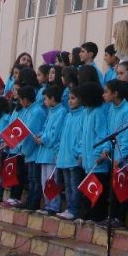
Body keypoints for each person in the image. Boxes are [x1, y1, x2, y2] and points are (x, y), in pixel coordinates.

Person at [100, 79, 128, 228]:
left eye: (106, 92)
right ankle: (111, 217)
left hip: (123, 158)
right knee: (113, 189)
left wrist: (118, 157)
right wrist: (106, 148)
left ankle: (120, 218)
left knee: (122, 189)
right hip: (113, 156)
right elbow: (109, 133)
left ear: (115, 93)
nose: (103, 95)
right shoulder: (112, 109)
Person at [77, 81, 110, 222]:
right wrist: (80, 154)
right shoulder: (86, 112)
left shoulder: (98, 112)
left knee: (98, 194)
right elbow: (82, 136)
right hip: (87, 162)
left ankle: (97, 217)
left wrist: (102, 152)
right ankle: (87, 216)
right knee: (88, 193)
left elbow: (103, 136)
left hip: (97, 162)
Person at [34, 86, 67, 214]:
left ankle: (54, 206)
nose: (44, 102)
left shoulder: (61, 112)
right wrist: (39, 135)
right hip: (44, 152)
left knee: (52, 181)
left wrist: (43, 139)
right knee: (44, 182)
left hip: (52, 153)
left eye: (46, 99)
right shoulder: (51, 111)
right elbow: (45, 128)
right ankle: (48, 204)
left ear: (53, 99)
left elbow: (55, 133)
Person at [14, 86, 47, 211]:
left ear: (26, 99)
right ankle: (29, 201)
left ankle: (34, 202)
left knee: (35, 178)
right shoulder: (30, 110)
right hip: (29, 151)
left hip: (34, 151)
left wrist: (25, 149)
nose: (20, 102)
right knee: (31, 178)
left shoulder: (37, 111)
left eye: (21, 99)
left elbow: (31, 132)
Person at [56, 86, 86, 220]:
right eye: (69, 98)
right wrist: (59, 152)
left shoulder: (83, 115)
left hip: (74, 158)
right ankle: (69, 208)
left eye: (73, 98)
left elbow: (82, 137)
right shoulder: (68, 115)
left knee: (75, 186)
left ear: (81, 99)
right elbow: (62, 136)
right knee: (67, 186)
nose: (70, 101)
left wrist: (78, 152)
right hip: (64, 157)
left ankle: (75, 210)